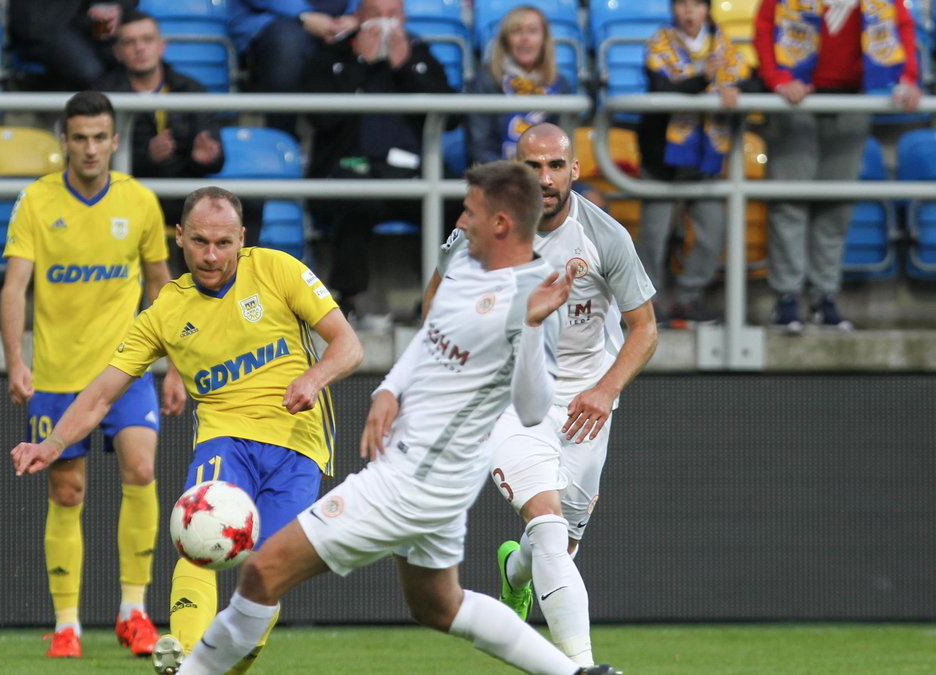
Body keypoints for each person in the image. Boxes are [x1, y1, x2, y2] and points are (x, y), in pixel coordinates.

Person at [169, 161, 625, 675]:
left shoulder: (534, 294)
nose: (459, 220)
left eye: (470, 211)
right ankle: (578, 674)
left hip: (414, 482)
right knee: (439, 607)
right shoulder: (466, 266)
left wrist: (534, 326)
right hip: (431, 479)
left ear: (500, 222)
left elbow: (532, 407)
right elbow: (428, 342)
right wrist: (389, 389)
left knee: (261, 572)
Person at [10, 185, 363, 674]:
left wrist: (314, 376)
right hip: (223, 437)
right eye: (199, 241)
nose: (211, 255)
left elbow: (349, 346)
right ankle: (192, 658)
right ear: (179, 237)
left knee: (265, 574)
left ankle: (215, 667)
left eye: (223, 243)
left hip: (298, 441)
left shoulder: (279, 270)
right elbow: (100, 393)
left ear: (242, 238)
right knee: (198, 534)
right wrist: (52, 443)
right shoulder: (165, 313)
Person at [0, 90, 183, 659]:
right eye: (79, 137)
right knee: (67, 489)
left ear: (113, 141)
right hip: (57, 376)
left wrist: (175, 363)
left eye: (100, 137)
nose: (90, 148)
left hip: (126, 374)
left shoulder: (141, 202)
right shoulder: (36, 201)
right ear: (64, 142)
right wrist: (14, 360)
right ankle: (68, 623)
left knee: (142, 468)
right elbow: (14, 286)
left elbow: (162, 287)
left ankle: (134, 612)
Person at [471, 124, 656, 667]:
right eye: (533, 166)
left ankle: (513, 571)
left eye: (555, 166)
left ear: (575, 169)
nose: (545, 179)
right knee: (550, 528)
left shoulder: (605, 236)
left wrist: (606, 388)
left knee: (558, 547)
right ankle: (581, 665)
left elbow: (644, 328)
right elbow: (440, 307)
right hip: (509, 400)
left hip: (584, 406)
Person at [753, 0, 921, 331]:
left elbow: (901, 25)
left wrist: (910, 77)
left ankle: (823, 297)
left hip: (851, 98)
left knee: (837, 206)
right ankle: (787, 298)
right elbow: (764, 26)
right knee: (789, 203)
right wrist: (778, 79)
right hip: (793, 102)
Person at [304, 0, 456, 317]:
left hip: (412, 174)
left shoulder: (419, 54)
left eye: (393, 16)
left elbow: (453, 117)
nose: (385, 25)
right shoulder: (332, 56)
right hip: (350, 170)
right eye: (376, 16)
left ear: (404, 18)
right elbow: (320, 118)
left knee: (457, 202)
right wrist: (361, 63)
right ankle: (349, 301)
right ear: (357, 18)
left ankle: (444, 297)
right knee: (355, 198)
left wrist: (408, 68)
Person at [636, 0, 750, 327]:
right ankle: (648, 304)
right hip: (661, 158)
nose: (689, 12)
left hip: (704, 159)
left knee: (713, 230)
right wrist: (704, 79)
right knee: (653, 235)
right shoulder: (658, 44)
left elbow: (753, 81)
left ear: (707, 10)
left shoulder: (725, 46)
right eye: (682, 5)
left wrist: (735, 88)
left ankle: (688, 298)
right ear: (673, 10)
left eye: (696, 5)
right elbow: (664, 88)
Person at [94, 9, 225, 234]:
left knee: (245, 204)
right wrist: (147, 157)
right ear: (118, 52)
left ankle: (234, 270)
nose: (140, 48)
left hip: (181, 197)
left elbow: (216, 159)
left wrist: (205, 159)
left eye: (147, 40)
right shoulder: (102, 95)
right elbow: (92, 158)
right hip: (126, 195)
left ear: (161, 45)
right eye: (130, 42)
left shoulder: (191, 90)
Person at [228, 0, 358, 135]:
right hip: (276, 22)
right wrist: (304, 15)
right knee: (287, 45)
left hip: (345, 24)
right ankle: (281, 141)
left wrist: (356, 15)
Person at [466, 5, 572, 167]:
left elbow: (564, 146)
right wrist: (516, 175)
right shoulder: (486, 79)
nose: (525, 38)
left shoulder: (559, 84)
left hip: (546, 173)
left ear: (544, 40)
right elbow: (479, 146)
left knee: (591, 193)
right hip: (498, 174)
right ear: (506, 41)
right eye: (516, 31)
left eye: (532, 31)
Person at [9, 0, 135, 91]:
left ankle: (139, 120)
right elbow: (30, 19)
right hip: (43, 27)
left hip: (91, 20)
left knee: (125, 53)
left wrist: (117, 8)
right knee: (91, 71)